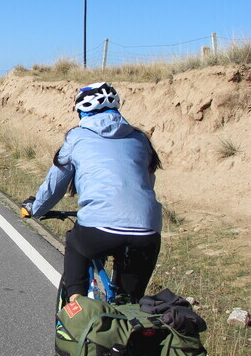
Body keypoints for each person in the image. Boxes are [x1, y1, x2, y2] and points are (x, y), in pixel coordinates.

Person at [21, 82, 162, 303]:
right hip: (147, 230)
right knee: (130, 303)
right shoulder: (141, 139)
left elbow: (55, 184)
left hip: (99, 227)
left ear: (81, 112)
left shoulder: (77, 137)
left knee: (76, 245)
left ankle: (75, 305)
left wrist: (35, 208)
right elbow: (146, 184)